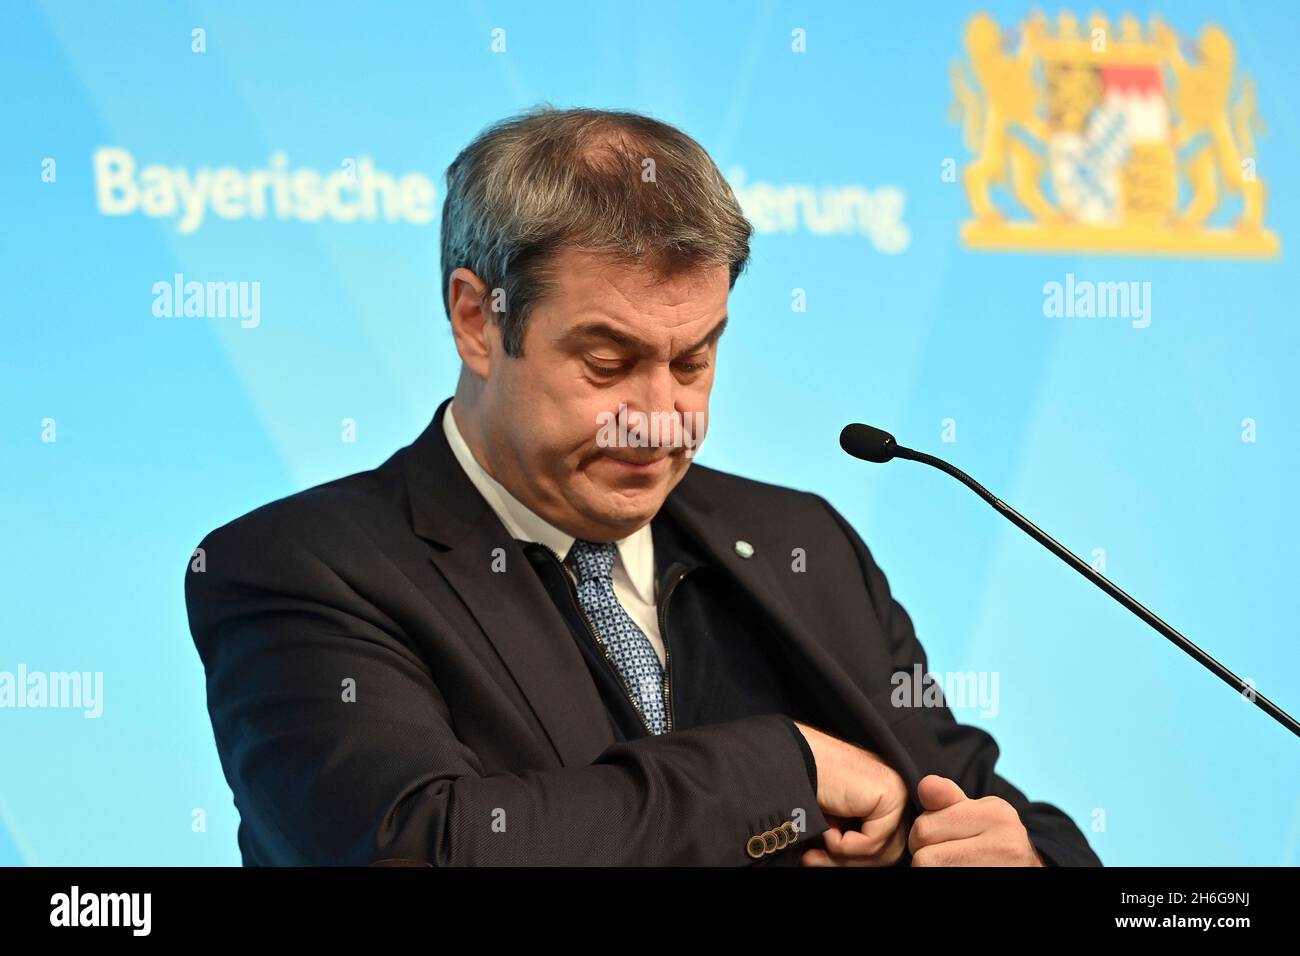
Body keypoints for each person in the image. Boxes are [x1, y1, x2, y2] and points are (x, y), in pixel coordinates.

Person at [185, 105, 1101, 867]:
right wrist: (781, 769)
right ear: (477, 319)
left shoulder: (799, 542)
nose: (660, 417)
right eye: (608, 360)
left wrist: (1019, 858)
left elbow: (983, 799)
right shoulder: (300, 569)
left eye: (694, 361)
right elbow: (421, 846)